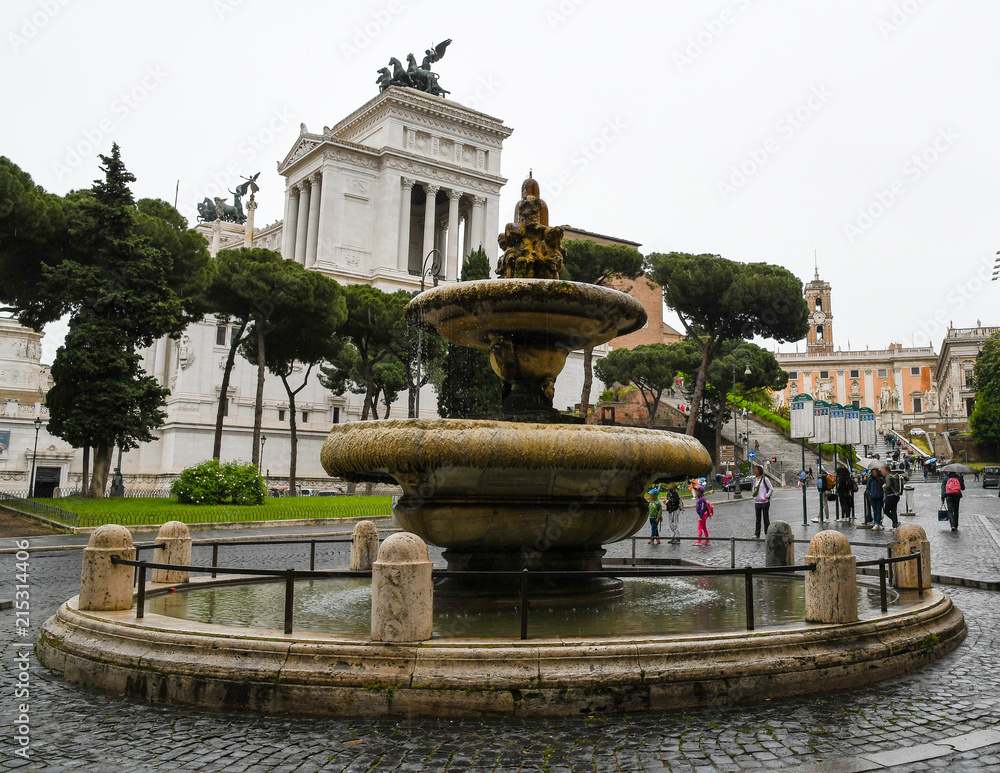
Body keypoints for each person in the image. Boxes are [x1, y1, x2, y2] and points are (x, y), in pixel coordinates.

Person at [751, 464, 772, 538]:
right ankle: (757, 534)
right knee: (758, 519)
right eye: (754, 470)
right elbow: (753, 488)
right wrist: (754, 496)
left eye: (756, 470)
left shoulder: (765, 479)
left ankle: (767, 533)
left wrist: (767, 496)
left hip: (764, 502)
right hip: (757, 502)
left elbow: (771, 489)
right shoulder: (754, 480)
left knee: (766, 518)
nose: (755, 471)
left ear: (760, 470)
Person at [881, 464, 901, 529]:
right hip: (896, 496)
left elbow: (888, 486)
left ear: (886, 470)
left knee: (886, 510)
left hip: (890, 496)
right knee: (893, 510)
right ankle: (895, 525)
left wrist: (884, 487)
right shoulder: (892, 476)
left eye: (883, 470)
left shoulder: (888, 477)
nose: (882, 472)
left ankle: (895, 522)